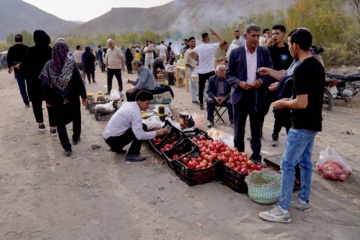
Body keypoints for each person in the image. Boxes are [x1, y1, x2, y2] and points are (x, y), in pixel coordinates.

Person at [259, 28, 325, 223]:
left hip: (302, 124)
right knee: (304, 162)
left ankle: (283, 209)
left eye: (289, 45)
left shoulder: (302, 68)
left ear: (295, 45)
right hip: (313, 123)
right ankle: (303, 199)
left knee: (287, 165)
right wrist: (290, 98)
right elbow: (306, 97)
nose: (288, 49)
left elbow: (301, 103)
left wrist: (282, 103)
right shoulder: (316, 65)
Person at [226, 24, 273, 163]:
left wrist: (261, 80)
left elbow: (269, 72)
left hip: (257, 96)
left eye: (258, 36)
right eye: (253, 35)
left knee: (256, 128)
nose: (256, 38)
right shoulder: (235, 53)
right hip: (240, 95)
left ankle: (256, 156)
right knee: (239, 129)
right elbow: (229, 74)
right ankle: (239, 156)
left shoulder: (264, 52)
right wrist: (239, 83)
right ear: (245, 36)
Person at [39, 41, 87, 156]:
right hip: (73, 97)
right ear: (65, 51)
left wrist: (47, 100)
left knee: (60, 122)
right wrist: (83, 96)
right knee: (76, 116)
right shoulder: (71, 64)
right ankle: (76, 138)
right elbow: (79, 82)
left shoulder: (48, 65)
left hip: (56, 99)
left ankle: (67, 147)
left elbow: (45, 85)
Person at [103, 90, 168, 161]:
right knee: (141, 128)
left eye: (149, 103)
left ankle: (116, 148)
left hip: (108, 137)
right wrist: (157, 133)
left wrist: (151, 128)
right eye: (147, 103)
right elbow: (139, 136)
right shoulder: (136, 113)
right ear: (139, 101)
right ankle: (132, 154)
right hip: (113, 140)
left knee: (141, 126)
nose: (148, 106)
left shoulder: (129, 104)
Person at [16, 30, 57, 135]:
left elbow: (26, 66)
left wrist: (19, 66)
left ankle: (41, 124)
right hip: (48, 82)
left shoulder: (30, 51)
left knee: (36, 103)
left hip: (34, 82)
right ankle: (53, 127)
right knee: (51, 103)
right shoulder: (50, 50)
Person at [261, 24, 293, 146]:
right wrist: (267, 44)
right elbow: (259, 57)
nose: (274, 36)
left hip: (282, 86)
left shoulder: (288, 50)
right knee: (262, 110)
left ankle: (275, 134)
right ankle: (259, 132)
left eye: (277, 33)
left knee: (279, 112)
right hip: (268, 86)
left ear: (284, 35)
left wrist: (281, 78)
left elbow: (289, 70)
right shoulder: (269, 49)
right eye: (273, 34)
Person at [189, 29, 224, 110]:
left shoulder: (199, 47)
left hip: (202, 71)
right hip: (211, 70)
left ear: (202, 40)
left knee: (201, 88)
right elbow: (222, 41)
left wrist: (196, 59)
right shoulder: (212, 46)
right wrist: (215, 33)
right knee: (213, 87)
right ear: (208, 39)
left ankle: (201, 103)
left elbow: (190, 53)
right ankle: (214, 101)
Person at [7, 33, 30, 107]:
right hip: (27, 69)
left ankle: (26, 102)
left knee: (22, 87)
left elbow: (8, 59)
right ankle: (33, 100)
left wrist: (9, 67)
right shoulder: (27, 48)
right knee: (30, 85)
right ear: (22, 40)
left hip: (17, 70)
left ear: (15, 40)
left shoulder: (11, 49)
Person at [184, 37, 199, 105]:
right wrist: (192, 67)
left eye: (194, 41)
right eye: (192, 41)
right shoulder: (188, 52)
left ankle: (202, 97)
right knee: (193, 85)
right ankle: (194, 100)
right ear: (189, 43)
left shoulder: (197, 50)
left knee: (200, 84)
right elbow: (186, 62)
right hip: (193, 70)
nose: (194, 43)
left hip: (199, 69)